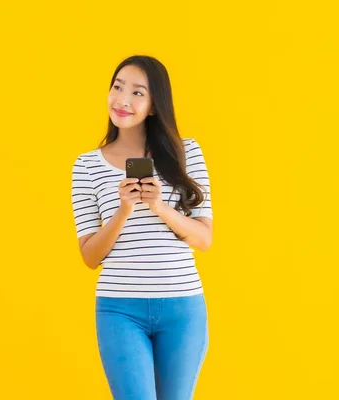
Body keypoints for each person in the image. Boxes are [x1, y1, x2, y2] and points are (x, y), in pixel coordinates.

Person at [70, 55, 214, 400]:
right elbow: (90, 257)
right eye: (117, 87)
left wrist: (159, 207)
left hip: (183, 308)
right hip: (120, 309)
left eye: (137, 92)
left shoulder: (186, 153)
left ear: (153, 105)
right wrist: (122, 211)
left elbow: (204, 239)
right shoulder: (86, 165)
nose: (122, 100)